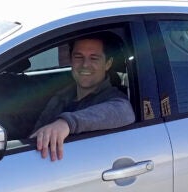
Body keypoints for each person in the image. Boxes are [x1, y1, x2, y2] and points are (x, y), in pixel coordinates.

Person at [30, 32, 135, 161]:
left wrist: (67, 123)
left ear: (108, 63)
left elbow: (125, 112)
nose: (85, 65)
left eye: (94, 58)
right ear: (71, 60)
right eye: (78, 57)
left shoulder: (113, 98)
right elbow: (35, 137)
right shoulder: (60, 98)